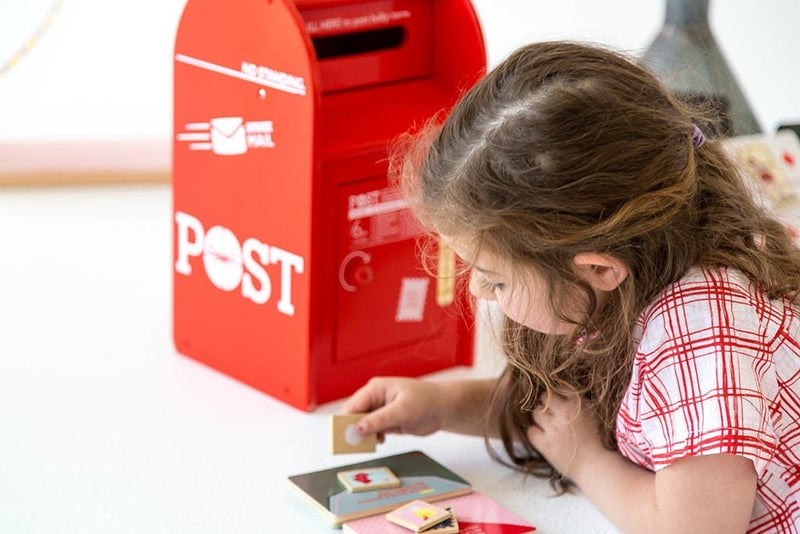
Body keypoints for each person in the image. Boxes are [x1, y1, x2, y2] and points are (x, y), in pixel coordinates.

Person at [343, 41, 800, 533]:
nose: (476, 289)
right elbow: (567, 413)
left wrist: (586, 463)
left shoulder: (703, 333)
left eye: (495, 278)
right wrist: (442, 407)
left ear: (599, 269)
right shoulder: (626, 274)